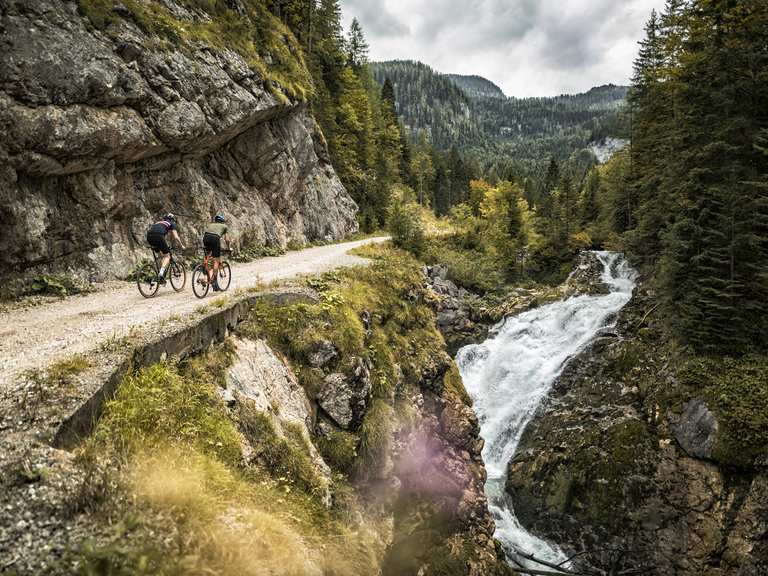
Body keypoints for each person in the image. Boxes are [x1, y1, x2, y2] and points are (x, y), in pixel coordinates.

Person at [146, 213, 185, 284]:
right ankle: (161, 274)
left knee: (161, 256)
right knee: (167, 256)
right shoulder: (171, 223)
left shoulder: (159, 222)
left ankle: (158, 274)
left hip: (149, 236)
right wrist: (181, 245)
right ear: (172, 220)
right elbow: (176, 237)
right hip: (158, 236)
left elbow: (158, 232)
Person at [202, 213, 229, 291]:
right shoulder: (224, 226)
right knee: (216, 260)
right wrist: (228, 247)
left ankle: (206, 275)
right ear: (222, 221)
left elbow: (208, 233)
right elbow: (227, 239)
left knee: (208, 257)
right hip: (215, 239)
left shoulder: (211, 225)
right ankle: (213, 280)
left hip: (205, 238)